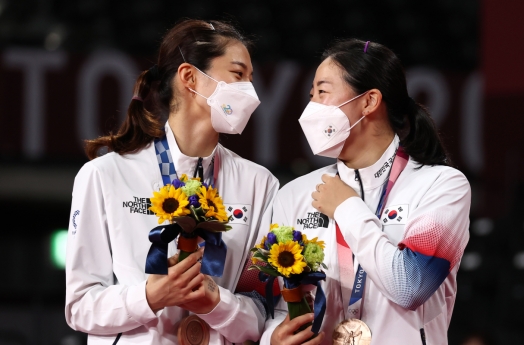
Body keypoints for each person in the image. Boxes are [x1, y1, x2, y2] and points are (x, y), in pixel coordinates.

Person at [65, 19, 279, 344]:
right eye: (238, 75)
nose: (249, 91)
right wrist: (149, 297)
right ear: (190, 78)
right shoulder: (105, 175)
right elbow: (80, 308)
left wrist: (217, 304)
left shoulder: (259, 185)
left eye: (251, 78)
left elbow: (261, 318)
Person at [261, 39, 470, 345]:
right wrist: (272, 339)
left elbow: (411, 286)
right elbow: (275, 305)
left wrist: (346, 207)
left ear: (369, 101)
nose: (311, 107)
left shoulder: (441, 185)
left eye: (322, 92)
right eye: (311, 95)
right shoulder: (293, 195)